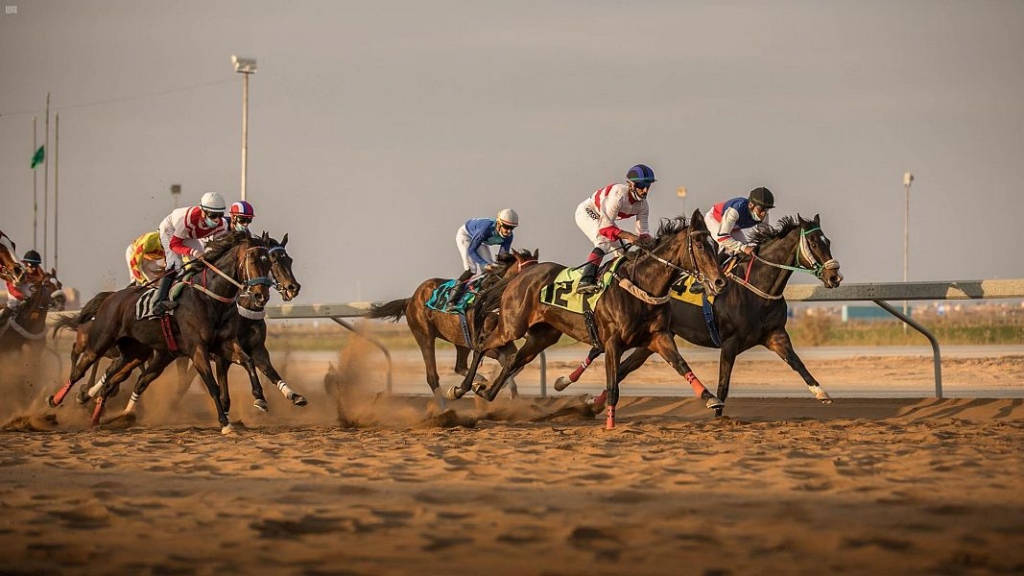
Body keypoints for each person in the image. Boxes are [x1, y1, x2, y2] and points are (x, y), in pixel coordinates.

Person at [574, 164, 656, 294]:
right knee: (604, 242)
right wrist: (629, 236)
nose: (645, 190)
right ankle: (585, 280)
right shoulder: (617, 196)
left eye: (648, 186)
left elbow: (643, 233)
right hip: (588, 211)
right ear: (631, 185)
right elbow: (605, 229)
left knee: (622, 253)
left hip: (604, 219)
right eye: (641, 185)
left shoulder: (643, 206)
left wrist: (655, 244)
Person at [151, 192, 229, 315]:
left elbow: (217, 247)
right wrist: (194, 252)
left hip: (189, 235)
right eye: (213, 215)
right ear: (203, 211)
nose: (217, 220)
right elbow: (174, 245)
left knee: (204, 263)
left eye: (220, 215)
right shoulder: (187, 220)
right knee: (176, 264)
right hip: (171, 230)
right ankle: (158, 302)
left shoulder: (221, 225)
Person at [689, 186, 775, 293]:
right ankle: (701, 281)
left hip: (733, 227)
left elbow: (764, 237)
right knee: (728, 248)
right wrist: (743, 247)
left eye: (766, 209)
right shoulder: (735, 210)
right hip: (715, 220)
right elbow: (722, 237)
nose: (763, 213)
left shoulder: (763, 216)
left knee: (745, 253)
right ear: (751, 205)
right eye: (761, 209)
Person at [449, 208, 519, 304]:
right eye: (506, 227)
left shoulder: (509, 237)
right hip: (466, 236)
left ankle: (482, 294)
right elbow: (471, 250)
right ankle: (452, 300)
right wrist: (485, 264)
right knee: (471, 268)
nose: (509, 231)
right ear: (499, 223)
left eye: (512, 228)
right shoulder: (485, 230)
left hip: (480, 241)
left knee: (491, 269)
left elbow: (502, 257)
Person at [1, 249, 46, 324]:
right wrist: (21, 296)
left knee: (33, 294)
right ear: (25, 264)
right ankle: (2, 321)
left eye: (36, 266)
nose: (34, 268)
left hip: (24, 285)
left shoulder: (38, 270)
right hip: (13, 284)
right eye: (31, 265)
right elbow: (11, 284)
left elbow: (41, 279)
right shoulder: (17, 267)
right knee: (15, 300)